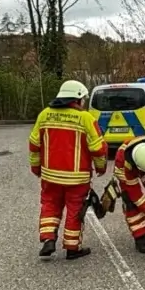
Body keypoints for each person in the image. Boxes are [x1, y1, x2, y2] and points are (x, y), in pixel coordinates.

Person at [28, 80, 107, 260]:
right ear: (77, 98)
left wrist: (36, 167)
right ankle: (72, 248)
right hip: (77, 178)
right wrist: (100, 167)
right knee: (75, 210)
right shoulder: (85, 118)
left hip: (50, 176)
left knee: (50, 205)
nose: (84, 102)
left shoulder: (44, 115)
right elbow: (98, 149)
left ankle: (48, 239)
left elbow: (34, 144)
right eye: (83, 99)